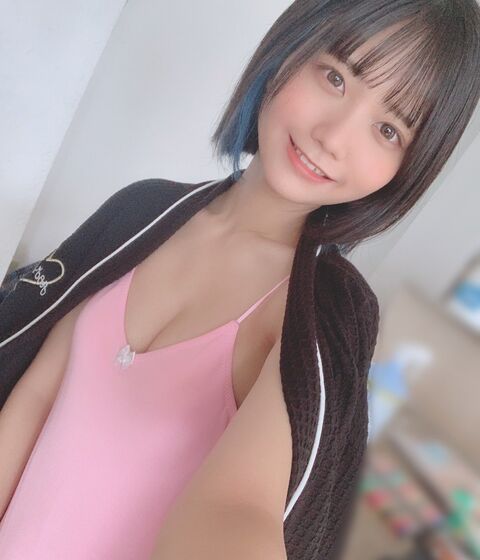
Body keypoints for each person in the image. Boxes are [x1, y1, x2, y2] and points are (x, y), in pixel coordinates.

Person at [0, 1, 479, 559]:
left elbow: (239, 510)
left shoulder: (325, 310)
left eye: (388, 129)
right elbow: (35, 396)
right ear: (292, 47)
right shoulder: (142, 210)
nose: (332, 137)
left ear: (407, 170)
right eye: (335, 78)